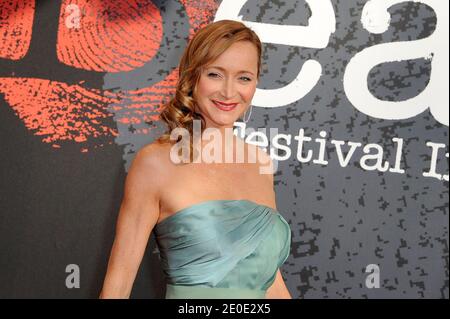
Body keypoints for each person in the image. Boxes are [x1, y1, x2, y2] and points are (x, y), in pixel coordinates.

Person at [99, 20, 292, 299]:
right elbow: (118, 284)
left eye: (244, 78)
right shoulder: (156, 163)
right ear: (193, 77)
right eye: (215, 74)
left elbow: (269, 281)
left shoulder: (260, 163)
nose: (228, 91)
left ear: (255, 84)